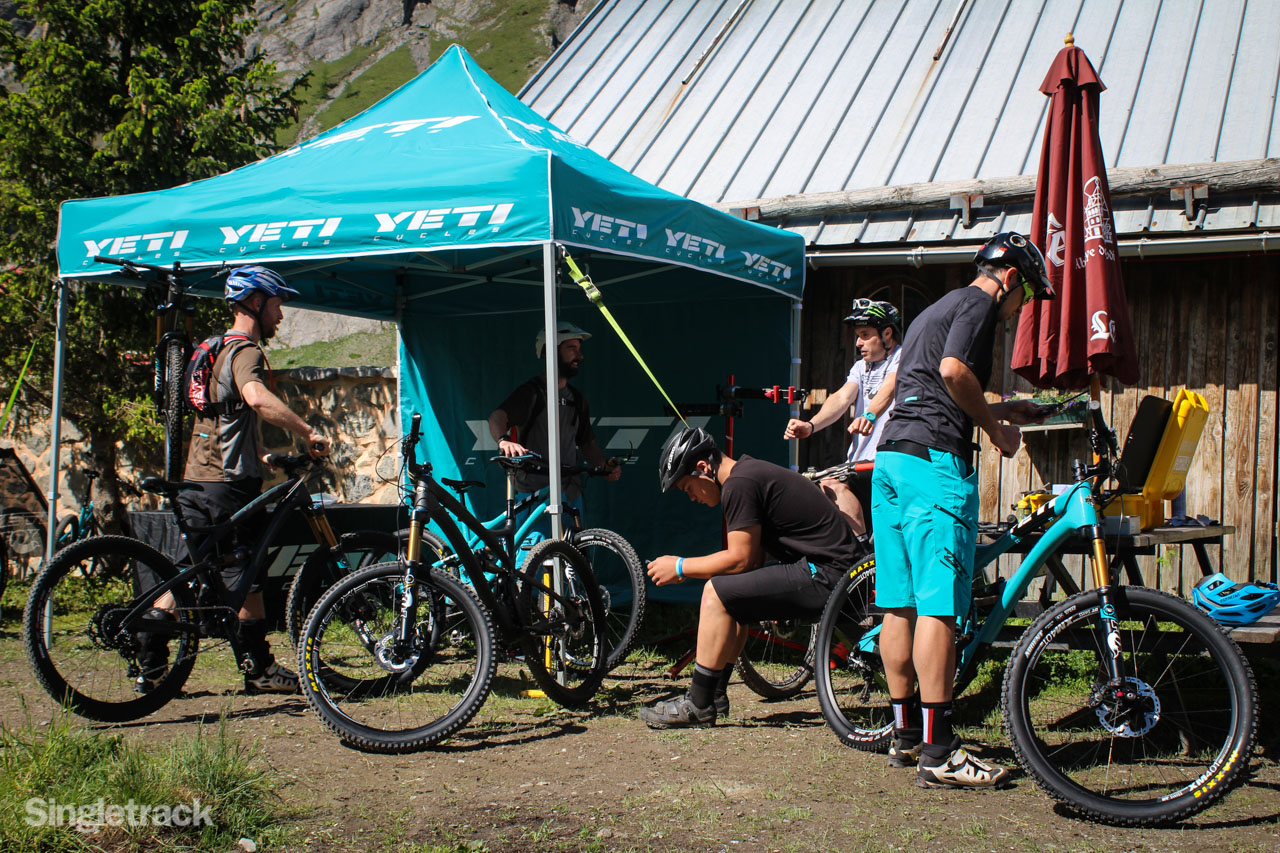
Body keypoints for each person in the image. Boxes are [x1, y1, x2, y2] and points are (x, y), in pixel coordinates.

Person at [872, 232, 1052, 788]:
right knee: (938, 606)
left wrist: (1005, 408)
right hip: (934, 465)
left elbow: (927, 381)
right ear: (1012, 277)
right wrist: (997, 430)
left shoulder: (937, 307)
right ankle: (941, 752)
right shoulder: (980, 304)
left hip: (892, 459)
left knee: (898, 604)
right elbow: (953, 371)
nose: (1021, 308)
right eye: (1026, 296)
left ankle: (906, 734)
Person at [138, 265, 329, 695]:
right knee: (247, 574)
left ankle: (153, 666)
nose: (280, 315)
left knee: (196, 573)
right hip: (228, 486)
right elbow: (256, 398)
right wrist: (308, 432)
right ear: (256, 303)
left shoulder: (212, 348)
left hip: (198, 479)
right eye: (277, 305)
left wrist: (264, 456)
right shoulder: (246, 351)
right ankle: (258, 669)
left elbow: (222, 421)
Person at [638, 426, 859, 728]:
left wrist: (679, 567)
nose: (690, 497)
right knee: (733, 599)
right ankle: (714, 696)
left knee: (715, 592)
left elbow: (740, 559)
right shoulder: (746, 475)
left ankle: (698, 704)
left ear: (703, 468)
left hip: (828, 575)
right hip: (833, 572)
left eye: (687, 487)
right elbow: (751, 561)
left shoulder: (739, 484)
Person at [783, 298, 903, 534]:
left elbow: (890, 387)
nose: (858, 343)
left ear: (887, 333)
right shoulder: (861, 367)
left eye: (865, 335)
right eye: (858, 336)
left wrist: (870, 415)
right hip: (860, 462)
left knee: (832, 484)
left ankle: (859, 552)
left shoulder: (903, 357)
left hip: (889, 462)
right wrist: (810, 426)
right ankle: (859, 553)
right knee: (828, 487)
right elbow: (841, 397)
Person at [487, 321, 619, 526]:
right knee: (537, 547)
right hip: (535, 494)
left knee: (574, 546)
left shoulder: (577, 399)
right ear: (550, 350)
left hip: (570, 493)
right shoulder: (532, 393)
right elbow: (497, 417)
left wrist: (604, 466)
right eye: (572, 348)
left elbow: (586, 443)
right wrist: (504, 441)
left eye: (579, 349)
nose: (579, 356)